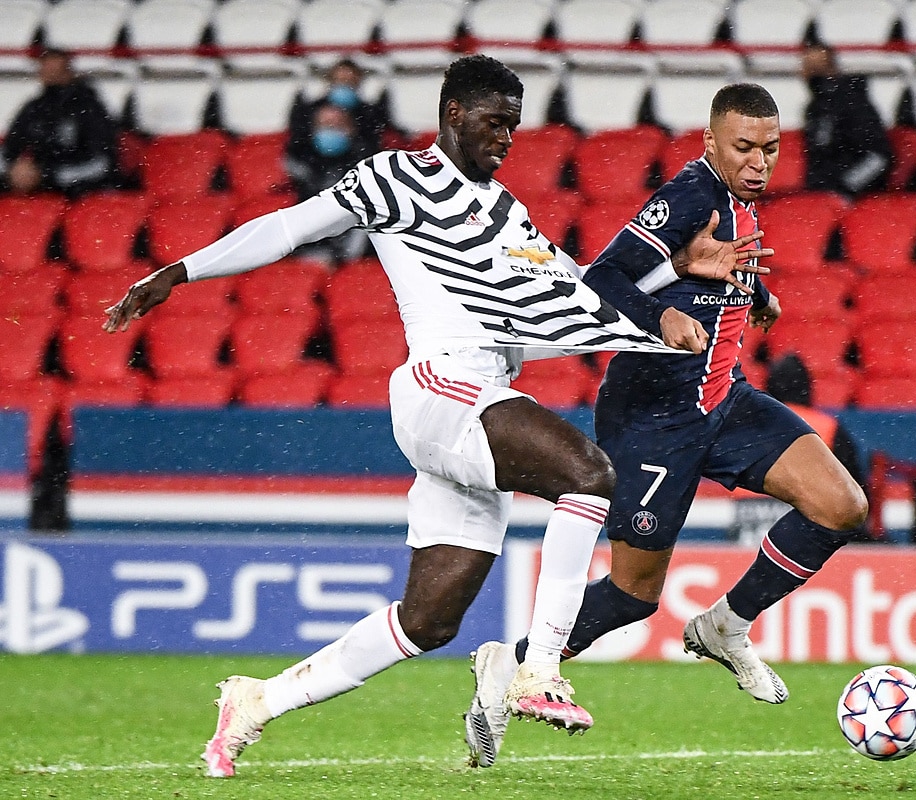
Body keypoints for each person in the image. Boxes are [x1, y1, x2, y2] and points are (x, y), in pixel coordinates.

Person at [102, 55, 766, 778]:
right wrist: (178, 271)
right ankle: (537, 670)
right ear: (453, 114)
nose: (506, 137)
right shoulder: (396, 177)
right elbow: (290, 228)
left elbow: (570, 298)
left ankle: (256, 701)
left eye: (514, 124)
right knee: (588, 475)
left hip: (480, 403)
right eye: (493, 122)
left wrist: (671, 274)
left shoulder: (507, 212)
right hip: (441, 385)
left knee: (427, 621)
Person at [464, 83, 868, 768]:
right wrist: (662, 320)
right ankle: (509, 673)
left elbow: (696, 272)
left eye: (770, 149)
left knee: (841, 504)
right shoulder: (689, 195)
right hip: (653, 416)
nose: (758, 162)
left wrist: (757, 295)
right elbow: (604, 278)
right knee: (631, 596)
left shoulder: (739, 205)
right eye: (743, 147)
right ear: (710, 142)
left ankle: (725, 626)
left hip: (724, 399)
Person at [726, 352, 869, 544]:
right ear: (807, 388)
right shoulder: (828, 427)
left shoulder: (748, 425)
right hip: (799, 522)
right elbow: (852, 491)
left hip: (747, 524)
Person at [2, 48, 119, 196]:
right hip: (40, 191)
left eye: (57, 70)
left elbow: (102, 164)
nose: (50, 74)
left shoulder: (89, 107)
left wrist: (48, 175)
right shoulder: (34, 108)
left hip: (80, 193)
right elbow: (8, 150)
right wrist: (14, 171)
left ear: (69, 72)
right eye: (46, 69)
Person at [283, 101, 375, 261]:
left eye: (338, 125)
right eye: (325, 124)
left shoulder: (366, 164)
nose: (331, 130)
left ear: (351, 129)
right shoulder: (302, 163)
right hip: (311, 249)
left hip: (354, 252)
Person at [800, 43, 892, 199]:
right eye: (807, 66)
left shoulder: (853, 103)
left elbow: (879, 156)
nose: (808, 72)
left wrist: (845, 188)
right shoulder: (815, 108)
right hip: (821, 195)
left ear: (833, 68)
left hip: (855, 195)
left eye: (816, 67)